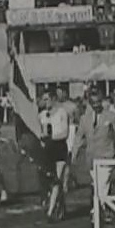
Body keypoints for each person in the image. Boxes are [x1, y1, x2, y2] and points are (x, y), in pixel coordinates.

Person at [72, 89, 115, 223]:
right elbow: (79, 137)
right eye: (93, 103)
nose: (96, 105)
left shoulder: (111, 116)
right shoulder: (84, 119)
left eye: (98, 102)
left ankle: (96, 212)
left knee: (102, 185)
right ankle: (105, 211)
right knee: (97, 185)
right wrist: (74, 153)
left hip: (106, 156)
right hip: (92, 158)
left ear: (102, 102)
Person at [39, 91, 70, 221]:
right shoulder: (42, 115)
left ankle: (50, 211)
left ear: (53, 99)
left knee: (57, 179)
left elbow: (65, 133)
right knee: (50, 180)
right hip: (47, 149)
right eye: (43, 99)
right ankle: (60, 206)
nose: (45, 102)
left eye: (47, 99)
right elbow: (40, 132)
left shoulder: (62, 112)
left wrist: (51, 137)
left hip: (59, 147)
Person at [56, 86, 80, 192]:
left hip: (70, 132)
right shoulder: (55, 105)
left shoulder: (72, 106)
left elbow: (78, 121)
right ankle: (69, 179)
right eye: (57, 93)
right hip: (58, 132)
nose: (59, 95)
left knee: (67, 158)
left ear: (65, 93)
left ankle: (65, 183)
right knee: (58, 159)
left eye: (60, 93)